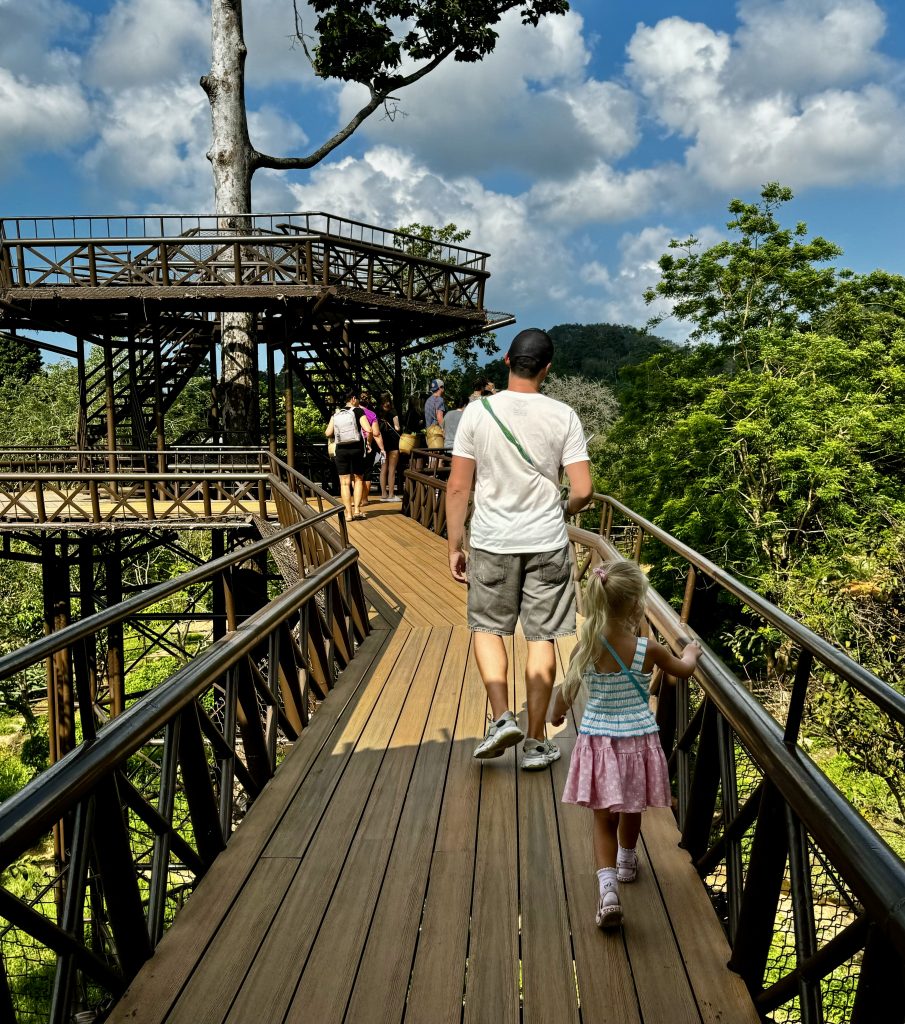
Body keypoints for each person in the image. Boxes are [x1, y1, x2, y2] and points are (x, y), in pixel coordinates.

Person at [446, 327, 593, 770]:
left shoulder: (478, 413)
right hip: (547, 542)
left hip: (492, 541)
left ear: (507, 360)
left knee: (489, 628)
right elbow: (584, 489)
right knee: (542, 636)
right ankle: (534, 743)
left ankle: (500, 718)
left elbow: (457, 487)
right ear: (547, 369)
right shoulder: (564, 415)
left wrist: (456, 544)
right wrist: (558, 508)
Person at [551, 559, 702, 929]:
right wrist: (691, 654)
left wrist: (554, 715)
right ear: (637, 605)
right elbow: (682, 669)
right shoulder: (646, 648)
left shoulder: (585, 647)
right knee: (631, 808)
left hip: (599, 744)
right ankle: (627, 861)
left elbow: (566, 691)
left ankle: (607, 892)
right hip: (636, 743)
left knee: (603, 819)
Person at [325, 389, 371, 521]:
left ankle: (348, 514)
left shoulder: (336, 414)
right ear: (353, 399)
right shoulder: (358, 411)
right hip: (357, 449)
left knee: (344, 483)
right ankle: (356, 510)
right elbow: (368, 429)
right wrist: (368, 442)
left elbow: (328, 433)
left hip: (341, 450)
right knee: (358, 479)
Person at [358, 390, 385, 509]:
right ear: (368, 401)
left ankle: (357, 498)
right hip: (368, 444)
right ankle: (364, 499)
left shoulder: (352, 412)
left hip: (355, 444)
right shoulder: (371, 414)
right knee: (367, 472)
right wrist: (382, 449)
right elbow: (376, 433)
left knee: (356, 473)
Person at [378, 392, 401, 501]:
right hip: (393, 442)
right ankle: (391, 494)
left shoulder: (378, 412)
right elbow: (397, 428)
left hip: (382, 442)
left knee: (383, 469)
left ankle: (383, 494)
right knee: (392, 469)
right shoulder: (393, 411)